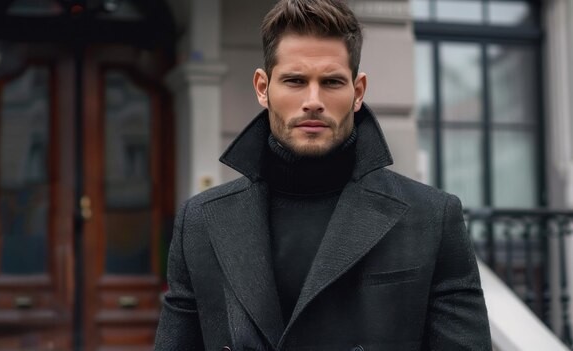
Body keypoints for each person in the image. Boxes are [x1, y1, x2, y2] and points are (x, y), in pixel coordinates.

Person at [154, 0, 491, 349]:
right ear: (262, 87)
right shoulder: (201, 221)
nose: (313, 100)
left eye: (331, 82)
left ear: (357, 92)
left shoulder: (432, 218)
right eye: (295, 80)